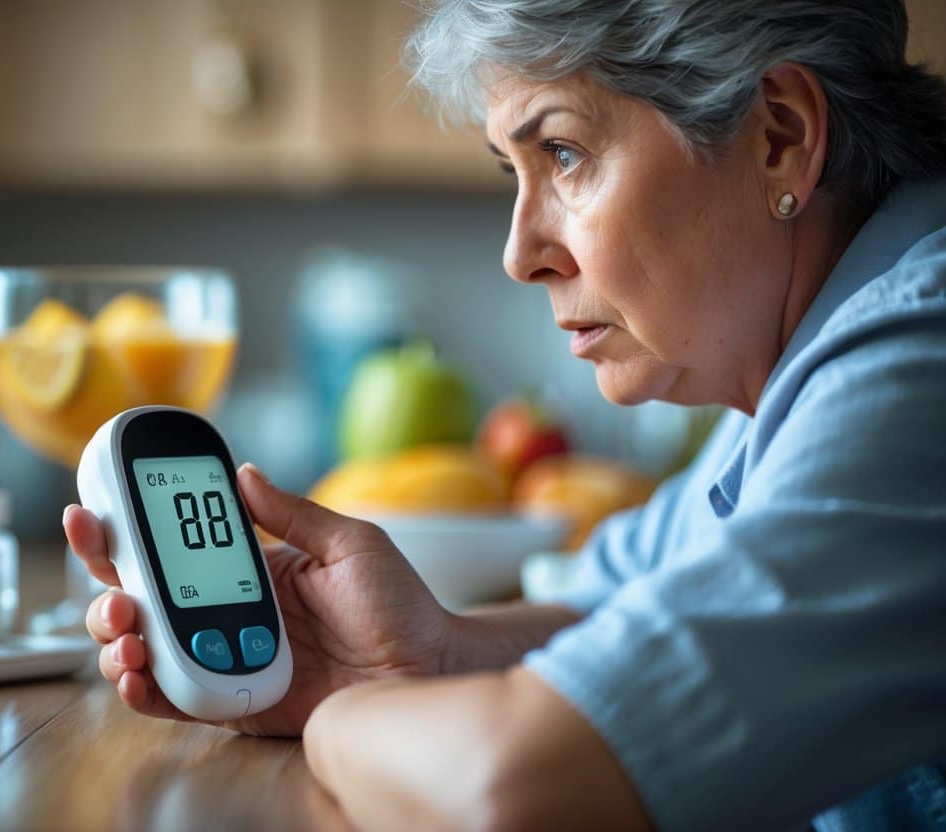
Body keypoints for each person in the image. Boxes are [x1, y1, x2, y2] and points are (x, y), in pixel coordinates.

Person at [63, 1, 946, 828]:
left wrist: (348, 710)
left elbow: (513, 784)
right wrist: (426, 652)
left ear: (779, 139)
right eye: (512, 172)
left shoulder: (916, 368)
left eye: (562, 154)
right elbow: (621, 609)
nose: (519, 253)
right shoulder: (789, 381)